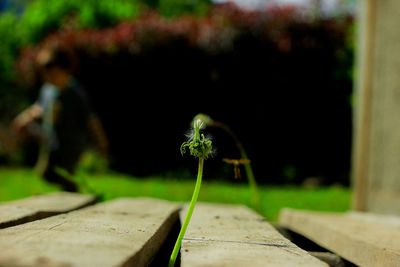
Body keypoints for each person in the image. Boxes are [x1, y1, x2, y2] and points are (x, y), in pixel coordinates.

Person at [12, 48, 108, 192]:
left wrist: (101, 141)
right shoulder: (48, 89)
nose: (49, 78)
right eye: (46, 75)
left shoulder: (75, 93)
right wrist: (25, 117)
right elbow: (39, 107)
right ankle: (74, 189)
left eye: (53, 75)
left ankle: (75, 193)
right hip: (53, 142)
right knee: (45, 172)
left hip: (72, 144)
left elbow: (90, 118)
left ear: (66, 71)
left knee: (63, 171)